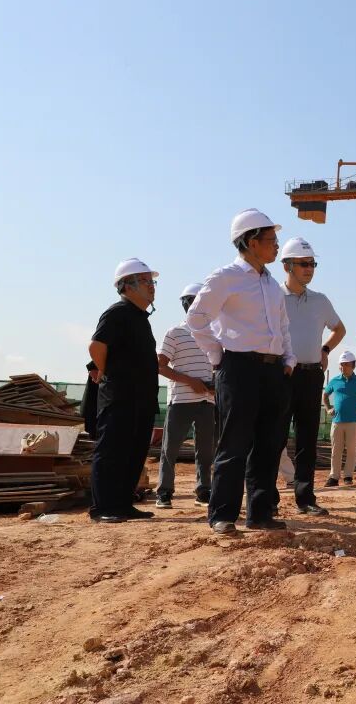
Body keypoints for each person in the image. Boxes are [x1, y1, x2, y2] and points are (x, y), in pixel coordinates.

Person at [187, 209, 296, 535]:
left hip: (273, 371)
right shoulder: (226, 277)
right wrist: (217, 355)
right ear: (251, 242)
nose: (276, 246)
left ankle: (260, 514)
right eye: (271, 240)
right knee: (233, 444)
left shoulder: (272, 284)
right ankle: (222, 514)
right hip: (238, 369)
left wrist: (288, 359)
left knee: (268, 445)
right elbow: (197, 318)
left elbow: (283, 326)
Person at [87, 258, 160, 523]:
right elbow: (96, 347)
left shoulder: (141, 319)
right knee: (112, 451)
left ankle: (123, 504)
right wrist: (108, 373)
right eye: (145, 281)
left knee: (134, 452)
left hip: (142, 399)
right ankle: (103, 507)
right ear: (126, 286)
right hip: (119, 397)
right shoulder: (117, 312)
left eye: (152, 281)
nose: (151, 286)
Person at [277, 236, 346, 516]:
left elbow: (339, 329)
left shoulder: (320, 300)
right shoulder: (273, 297)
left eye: (312, 264)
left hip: (311, 376)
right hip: (281, 376)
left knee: (307, 440)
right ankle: (266, 499)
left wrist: (325, 349)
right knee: (273, 437)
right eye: (303, 264)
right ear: (286, 266)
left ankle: (305, 498)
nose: (309, 269)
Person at [155, 283, 216, 509]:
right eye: (192, 301)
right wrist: (191, 381)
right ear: (186, 304)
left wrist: (215, 385)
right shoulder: (175, 333)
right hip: (181, 400)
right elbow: (160, 366)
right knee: (170, 448)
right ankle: (164, 492)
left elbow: (219, 366)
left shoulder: (215, 335)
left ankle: (203, 490)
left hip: (208, 401)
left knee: (206, 450)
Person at [324, 351, 356, 486]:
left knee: (352, 450)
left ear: (353, 365)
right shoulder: (334, 381)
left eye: (346, 364)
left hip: (354, 421)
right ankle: (334, 477)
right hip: (337, 421)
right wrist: (328, 408)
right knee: (336, 450)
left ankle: (348, 476)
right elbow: (325, 395)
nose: (343, 367)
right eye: (341, 364)